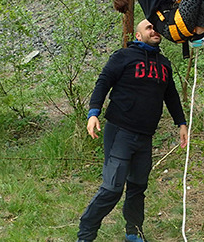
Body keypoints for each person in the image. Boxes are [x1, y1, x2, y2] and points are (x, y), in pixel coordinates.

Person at [77, 20, 187, 242]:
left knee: (138, 187)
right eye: (149, 28)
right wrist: (93, 113)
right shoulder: (124, 56)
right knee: (112, 188)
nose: (154, 30)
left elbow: (171, 96)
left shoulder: (164, 64)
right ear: (138, 35)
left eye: (156, 27)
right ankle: (85, 234)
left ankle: (133, 233)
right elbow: (103, 81)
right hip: (120, 132)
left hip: (145, 136)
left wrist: (181, 123)